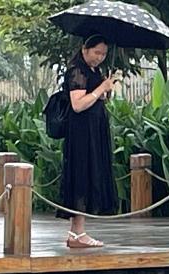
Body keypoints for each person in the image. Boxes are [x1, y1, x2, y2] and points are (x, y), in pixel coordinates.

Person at [59, 35, 120, 249]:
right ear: (85, 49)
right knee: (81, 177)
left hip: (95, 131)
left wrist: (106, 90)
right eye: (97, 53)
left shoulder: (93, 71)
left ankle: (78, 233)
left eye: (104, 54)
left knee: (89, 175)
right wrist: (99, 90)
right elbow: (78, 104)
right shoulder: (77, 70)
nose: (100, 58)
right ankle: (77, 233)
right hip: (81, 134)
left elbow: (96, 98)